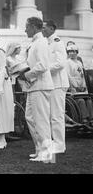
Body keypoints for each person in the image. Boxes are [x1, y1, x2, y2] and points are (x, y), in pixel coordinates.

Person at [21, 17, 54, 162]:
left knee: (41, 120)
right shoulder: (35, 42)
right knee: (30, 118)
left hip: (40, 86)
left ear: (34, 27)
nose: (25, 30)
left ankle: (47, 154)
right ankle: (39, 149)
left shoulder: (41, 42)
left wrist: (26, 75)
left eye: (27, 27)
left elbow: (42, 66)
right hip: (34, 86)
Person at [42, 20, 69, 154]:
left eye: (44, 27)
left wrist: (44, 70)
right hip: (51, 83)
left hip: (58, 83)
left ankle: (59, 145)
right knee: (51, 115)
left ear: (52, 28)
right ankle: (55, 143)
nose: (42, 30)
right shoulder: (47, 42)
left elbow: (60, 64)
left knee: (57, 115)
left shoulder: (58, 42)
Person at [66, 45, 93, 125]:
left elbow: (82, 76)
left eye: (73, 51)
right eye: (70, 52)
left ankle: (91, 118)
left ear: (76, 52)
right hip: (73, 88)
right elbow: (69, 76)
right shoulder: (67, 63)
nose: (72, 53)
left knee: (88, 100)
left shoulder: (79, 63)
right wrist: (73, 87)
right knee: (80, 101)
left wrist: (84, 87)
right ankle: (84, 118)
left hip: (82, 87)